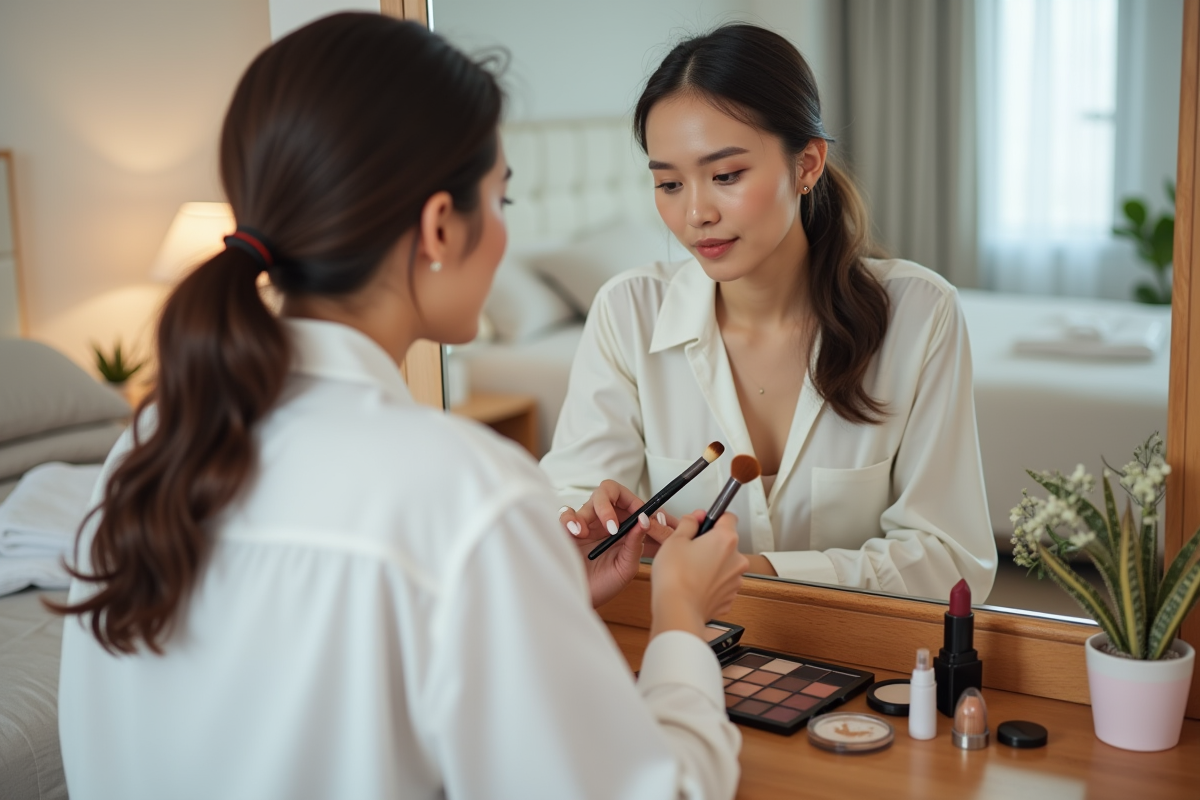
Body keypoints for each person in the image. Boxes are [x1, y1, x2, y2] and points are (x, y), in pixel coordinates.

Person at [53, 14, 746, 800]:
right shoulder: (461, 490)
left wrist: (526, 592)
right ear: (440, 226)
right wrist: (681, 621)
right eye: (502, 198)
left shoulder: (145, 449)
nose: (505, 236)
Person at [544, 24, 997, 602]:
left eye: (726, 175)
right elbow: (571, 492)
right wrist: (584, 517)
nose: (696, 213)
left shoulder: (920, 314)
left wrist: (756, 569)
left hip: (866, 659)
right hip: (688, 649)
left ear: (807, 164)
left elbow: (951, 560)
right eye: (669, 183)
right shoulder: (627, 313)